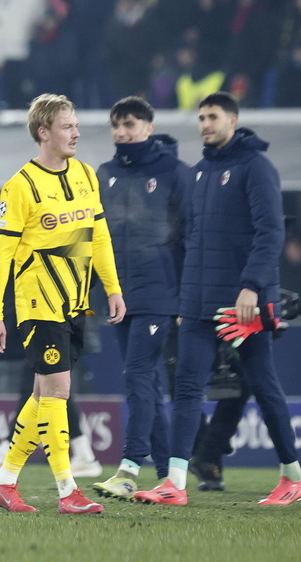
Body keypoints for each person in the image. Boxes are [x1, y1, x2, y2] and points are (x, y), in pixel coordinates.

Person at [134, 92, 301, 506]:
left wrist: (252, 287)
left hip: (242, 303)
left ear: (233, 119)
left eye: (213, 116)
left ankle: (291, 475)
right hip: (196, 301)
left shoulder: (256, 167)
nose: (205, 124)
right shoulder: (200, 173)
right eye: (202, 117)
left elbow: (270, 234)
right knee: (188, 387)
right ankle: (174, 482)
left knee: (263, 385)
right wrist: (181, 297)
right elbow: (189, 239)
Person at [0, 93, 126, 515]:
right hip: (38, 304)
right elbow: (1, 257)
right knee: (60, 390)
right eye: (68, 126)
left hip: (75, 305)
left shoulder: (85, 173)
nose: (76, 133)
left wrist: (112, 288)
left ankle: (4, 482)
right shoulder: (20, 185)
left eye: (76, 125)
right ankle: (68, 492)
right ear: (43, 132)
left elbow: (98, 237)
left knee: (44, 392)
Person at [91, 96, 189, 500]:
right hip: (119, 295)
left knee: (136, 375)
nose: (121, 132)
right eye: (116, 125)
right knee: (143, 378)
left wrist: (185, 298)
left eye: (129, 125)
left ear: (148, 127)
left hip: (158, 291)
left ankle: (130, 468)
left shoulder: (175, 172)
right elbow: (93, 236)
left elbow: (190, 236)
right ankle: (166, 472)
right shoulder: (105, 173)